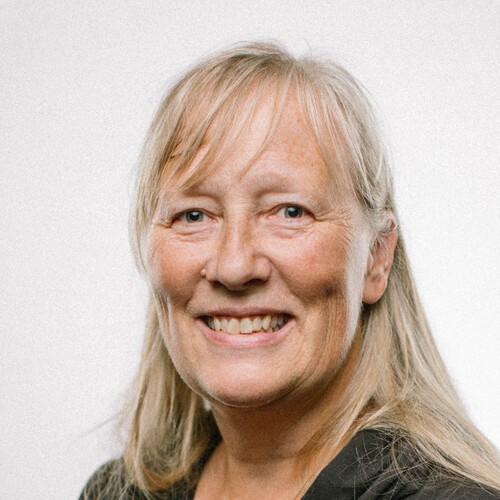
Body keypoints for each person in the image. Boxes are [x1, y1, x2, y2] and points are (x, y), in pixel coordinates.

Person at [80, 42, 500, 499]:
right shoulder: (116, 493)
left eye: (290, 212)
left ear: (377, 257)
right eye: (194, 215)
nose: (235, 266)